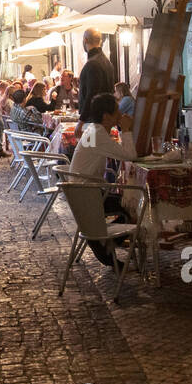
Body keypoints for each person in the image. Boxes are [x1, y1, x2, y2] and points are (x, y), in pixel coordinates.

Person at [68, 93, 138, 265]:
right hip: (88, 196)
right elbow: (130, 155)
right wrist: (127, 130)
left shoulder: (93, 130)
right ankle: (106, 245)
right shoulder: (98, 134)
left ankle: (103, 244)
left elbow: (96, 151)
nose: (121, 115)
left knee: (126, 204)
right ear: (106, 117)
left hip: (79, 192)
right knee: (134, 206)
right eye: (117, 112)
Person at [77, 27, 117, 124]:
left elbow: (92, 94)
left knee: (93, 140)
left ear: (85, 40)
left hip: (94, 120)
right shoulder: (107, 62)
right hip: (104, 117)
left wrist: (81, 120)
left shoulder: (93, 63)